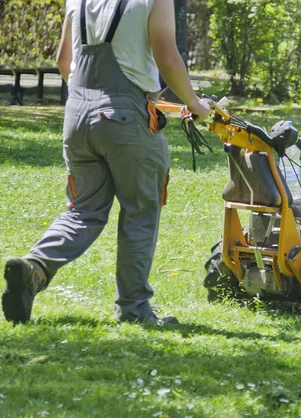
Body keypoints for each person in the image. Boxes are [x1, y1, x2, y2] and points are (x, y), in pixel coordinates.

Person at [2, 0, 210, 325]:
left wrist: (89, 102)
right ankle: (134, 310)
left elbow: (63, 60)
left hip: (77, 114)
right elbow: (167, 58)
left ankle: (35, 268)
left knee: (83, 209)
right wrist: (194, 103)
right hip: (126, 116)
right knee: (140, 210)